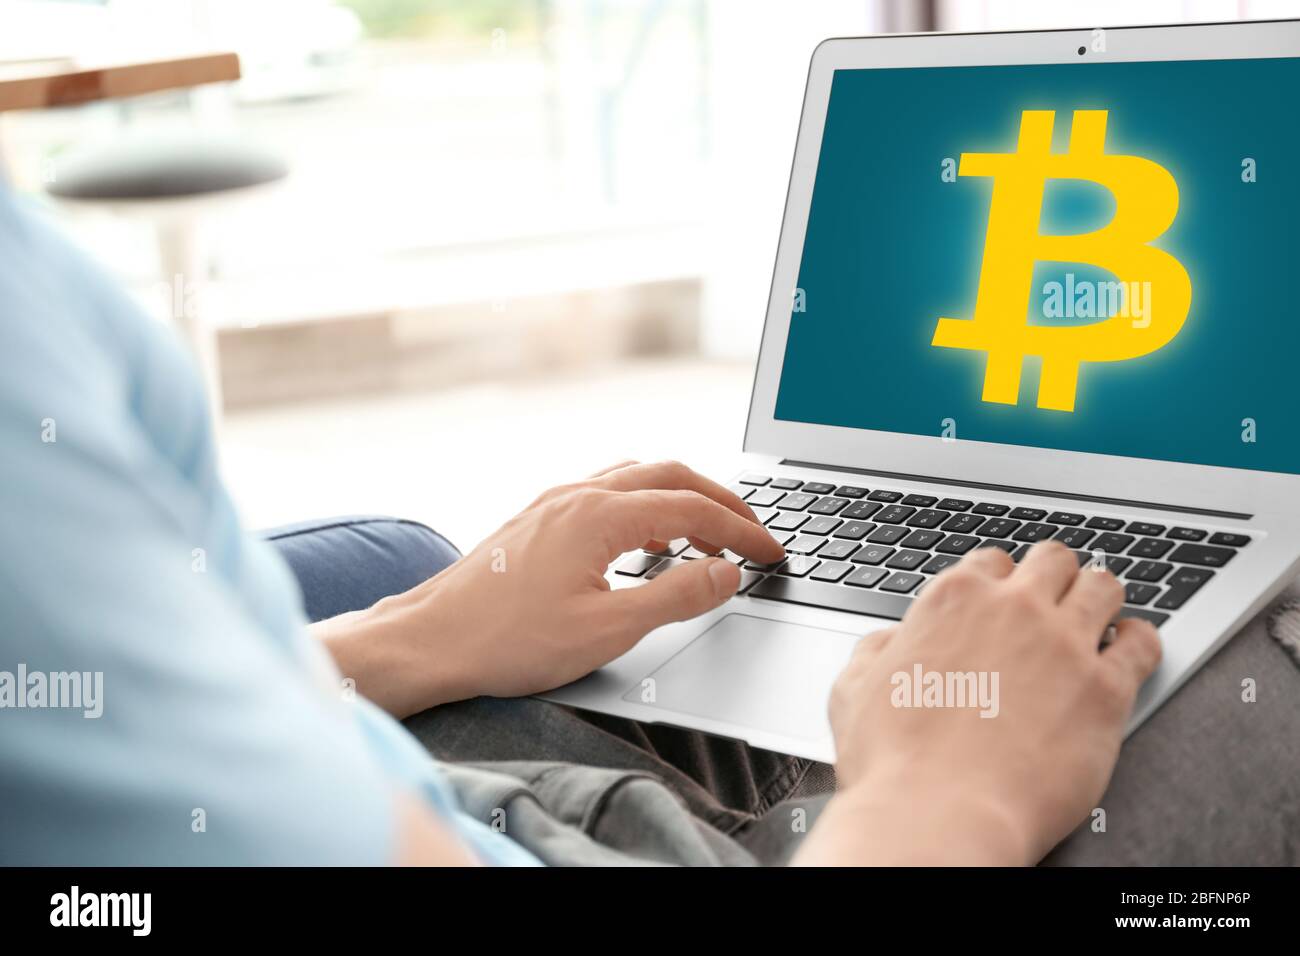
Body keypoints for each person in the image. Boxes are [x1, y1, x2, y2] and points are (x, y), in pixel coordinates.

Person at [1, 179, 1294, 867]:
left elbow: (89, 723)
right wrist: (944, 798)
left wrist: (408, 637)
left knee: (757, 643)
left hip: (449, 772)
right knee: (1250, 672)